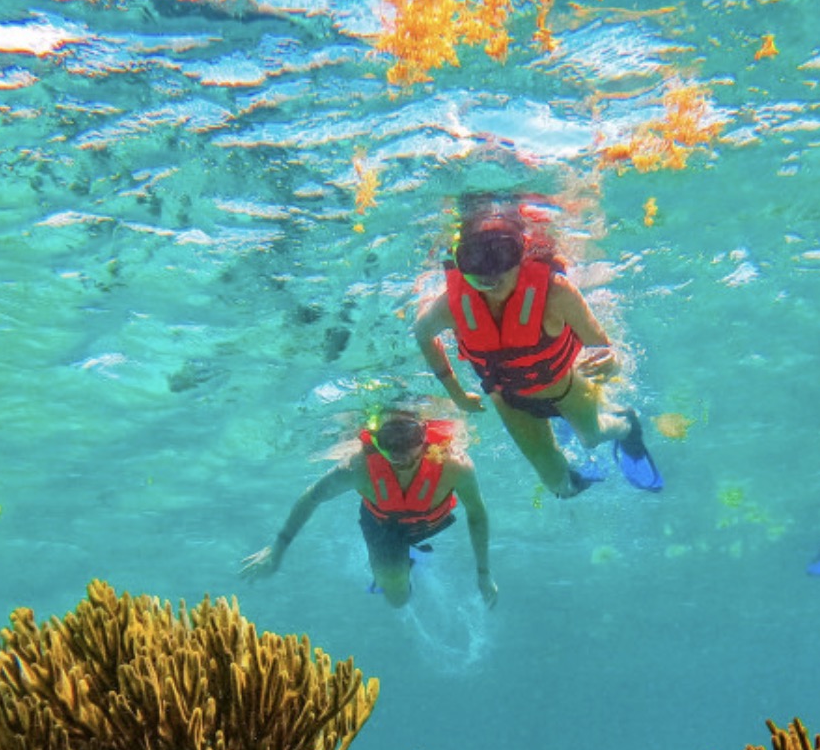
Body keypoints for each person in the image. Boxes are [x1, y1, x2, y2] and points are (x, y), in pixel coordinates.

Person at [409, 203, 661, 498]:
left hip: (564, 388)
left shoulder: (556, 292)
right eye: (475, 257)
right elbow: (422, 333)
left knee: (592, 437)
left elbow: (602, 345)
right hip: (510, 401)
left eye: (502, 252)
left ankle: (626, 425)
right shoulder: (452, 305)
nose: (490, 272)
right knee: (559, 486)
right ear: (460, 259)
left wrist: (612, 361)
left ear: (523, 252)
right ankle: (576, 480)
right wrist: (456, 394)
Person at [241, 410, 497, 609]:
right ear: (376, 438)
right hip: (380, 525)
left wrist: (484, 573)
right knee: (396, 600)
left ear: (425, 435)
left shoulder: (455, 466)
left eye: (409, 438)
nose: (400, 453)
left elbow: (477, 514)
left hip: (427, 525)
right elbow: (312, 498)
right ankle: (402, 565)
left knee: (396, 587)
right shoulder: (358, 467)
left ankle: (412, 556)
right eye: (389, 440)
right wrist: (276, 549)